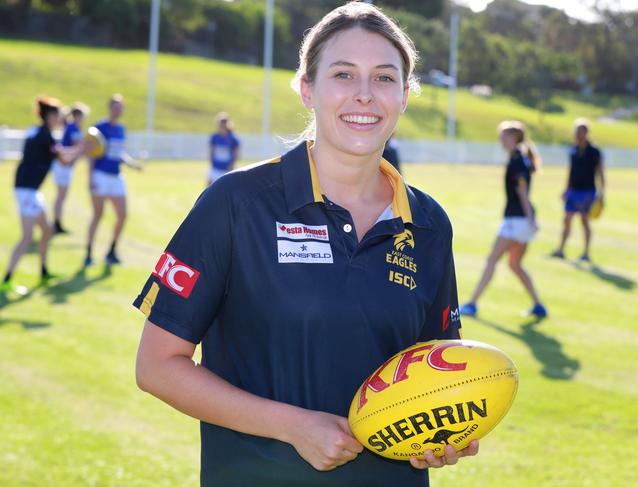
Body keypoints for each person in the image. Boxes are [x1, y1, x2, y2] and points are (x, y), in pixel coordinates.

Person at [133, 3, 478, 486]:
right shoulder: (235, 203)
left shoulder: (428, 223)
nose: (364, 95)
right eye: (343, 74)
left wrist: (445, 432)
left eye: (384, 78)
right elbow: (157, 367)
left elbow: (435, 370)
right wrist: (293, 426)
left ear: (404, 96)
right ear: (307, 89)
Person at [459, 121, 547, 319]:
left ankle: (472, 304)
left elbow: (522, 191)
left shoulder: (518, 159)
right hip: (521, 219)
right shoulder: (519, 158)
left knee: (492, 260)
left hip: (516, 220)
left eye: (505, 136)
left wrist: (530, 218)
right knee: (515, 264)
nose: (502, 140)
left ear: (515, 137)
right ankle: (539, 305)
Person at [1, 96, 83, 294]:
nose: (60, 119)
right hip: (26, 190)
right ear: (50, 116)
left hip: (30, 190)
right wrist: (83, 148)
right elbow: (64, 160)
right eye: (58, 115)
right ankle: (6, 280)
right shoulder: (46, 136)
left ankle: (44, 272)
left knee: (46, 231)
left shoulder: (36, 131)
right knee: (27, 237)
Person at [85, 94, 141, 267]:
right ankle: (88, 254)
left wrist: (132, 164)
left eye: (120, 107)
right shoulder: (99, 128)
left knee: (123, 215)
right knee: (98, 215)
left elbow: (119, 153)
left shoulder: (121, 129)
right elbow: (91, 153)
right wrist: (90, 177)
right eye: (115, 107)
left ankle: (111, 251)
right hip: (100, 175)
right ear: (110, 108)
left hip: (116, 177)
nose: (118, 110)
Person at [551, 119, 605, 262]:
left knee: (584, 221)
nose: (578, 134)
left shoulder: (594, 151)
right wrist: (566, 189)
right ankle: (560, 250)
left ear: (587, 132)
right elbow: (571, 171)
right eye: (577, 131)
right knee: (567, 219)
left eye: (581, 131)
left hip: (587, 191)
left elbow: (600, 172)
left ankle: (586, 253)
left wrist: (601, 194)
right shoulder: (573, 150)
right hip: (573, 191)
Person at [52, 102, 90, 235]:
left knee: (61, 196)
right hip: (63, 165)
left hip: (65, 165)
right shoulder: (73, 128)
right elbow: (77, 148)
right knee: (61, 196)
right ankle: (56, 224)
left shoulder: (73, 127)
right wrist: (86, 148)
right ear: (78, 116)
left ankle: (57, 223)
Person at [207, 112, 239, 186]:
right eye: (221, 122)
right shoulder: (214, 137)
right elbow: (211, 151)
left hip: (227, 169)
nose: (222, 125)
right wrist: (211, 164)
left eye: (224, 122)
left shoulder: (233, 138)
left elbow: (236, 154)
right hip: (215, 167)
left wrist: (231, 166)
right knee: (208, 188)